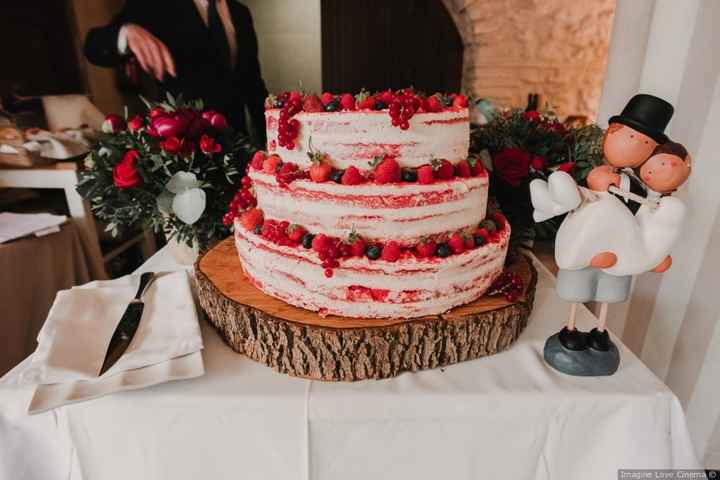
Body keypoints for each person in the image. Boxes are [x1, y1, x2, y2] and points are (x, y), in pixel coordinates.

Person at [83, 0, 268, 147]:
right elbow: (93, 46)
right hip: (183, 144)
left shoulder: (240, 12)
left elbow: (252, 84)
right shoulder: (157, 4)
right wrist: (125, 33)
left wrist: (270, 141)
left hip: (236, 139)